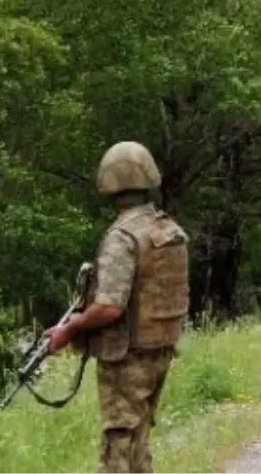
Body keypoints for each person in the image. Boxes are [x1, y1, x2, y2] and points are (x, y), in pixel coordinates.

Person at [46, 141, 189, 474]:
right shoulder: (167, 229)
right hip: (160, 349)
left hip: (127, 358)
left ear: (110, 182)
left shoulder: (123, 236)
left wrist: (71, 327)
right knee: (138, 441)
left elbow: (110, 308)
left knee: (118, 448)